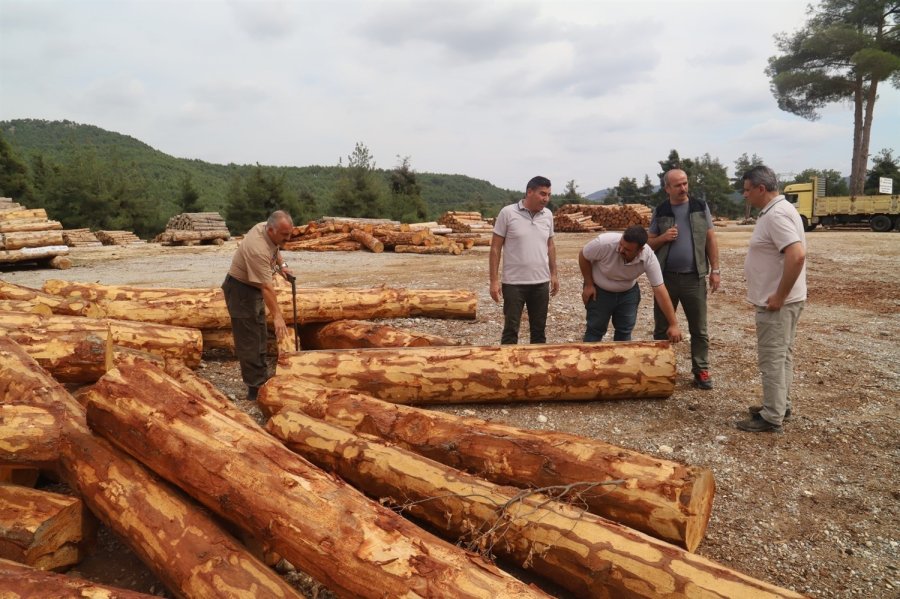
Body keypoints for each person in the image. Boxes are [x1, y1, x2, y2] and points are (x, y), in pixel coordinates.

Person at [736, 166, 807, 433]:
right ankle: (780, 405)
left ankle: (771, 416)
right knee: (783, 355)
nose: (745, 195)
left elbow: (796, 255)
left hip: (778, 303)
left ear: (761, 189)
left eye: (747, 190)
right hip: (786, 300)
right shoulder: (780, 210)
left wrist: (779, 295)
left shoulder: (777, 214)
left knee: (773, 358)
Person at [647, 169, 721, 389]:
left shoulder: (699, 207)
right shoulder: (661, 210)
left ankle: (701, 371)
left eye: (685, 183)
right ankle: (659, 370)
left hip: (694, 278)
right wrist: (663, 237)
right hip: (665, 279)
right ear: (667, 188)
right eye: (677, 185)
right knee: (662, 328)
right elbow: (649, 243)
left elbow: (710, 239)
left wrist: (715, 270)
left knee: (699, 328)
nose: (683, 188)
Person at [222, 210, 295, 401]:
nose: (288, 238)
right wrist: (278, 316)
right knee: (250, 340)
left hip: (251, 289)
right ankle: (255, 389)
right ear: (271, 230)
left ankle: (261, 378)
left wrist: (283, 266)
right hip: (240, 291)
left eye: (290, 233)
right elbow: (267, 287)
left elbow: (276, 249)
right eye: (285, 235)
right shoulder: (257, 249)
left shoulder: (267, 229)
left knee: (260, 332)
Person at [578, 225, 683, 343]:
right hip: (600, 291)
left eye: (627, 249)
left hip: (628, 293)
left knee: (624, 331)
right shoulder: (604, 243)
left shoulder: (648, 257)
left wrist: (673, 324)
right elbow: (583, 255)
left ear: (640, 250)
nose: (621, 250)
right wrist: (589, 284)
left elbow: (660, 289)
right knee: (595, 330)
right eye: (621, 245)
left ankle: (620, 360)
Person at [489, 176, 559, 344]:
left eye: (548, 194)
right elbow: (495, 248)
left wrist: (554, 274)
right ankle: (507, 366)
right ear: (529, 192)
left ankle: (537, 367)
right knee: (511, 330)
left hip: (541, 283)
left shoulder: (547, 215)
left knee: (539, 331)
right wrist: (494, 281)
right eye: (542, 194)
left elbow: (550, 245)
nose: (546, 199)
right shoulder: (508, 213)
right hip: (514, 284)